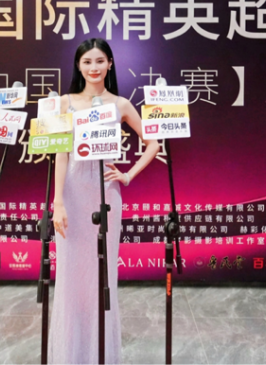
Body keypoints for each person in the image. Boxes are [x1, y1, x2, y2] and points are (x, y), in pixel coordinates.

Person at [49, 38, 160, 365]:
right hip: (72, 194)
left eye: (100, 61)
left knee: (102, 273)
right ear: (78, 66)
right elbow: (60, 153)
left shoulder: (121, 104)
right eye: (87, 62)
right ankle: (71, 354)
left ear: (110, 63)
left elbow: (153, 142)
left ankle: (100, 354)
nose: (94, 67)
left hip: (105, 195)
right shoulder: (65, 103)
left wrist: (128, 175)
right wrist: (57, 202)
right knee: (70, 274)